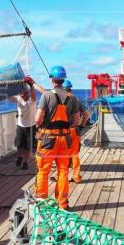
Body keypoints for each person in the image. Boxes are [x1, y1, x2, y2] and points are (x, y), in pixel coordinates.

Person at [35, 66, 80, 210]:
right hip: (65, 140)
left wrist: (39, 128)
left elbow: (38, 119)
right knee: (63, 171)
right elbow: (76, 121)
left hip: (48, 140)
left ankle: (42, 202)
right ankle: (62, 204)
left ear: (52, 79)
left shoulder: (46, 96)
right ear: (63, 79)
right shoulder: (71, 98)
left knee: (43, 171)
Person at [63, 80, 89, 183]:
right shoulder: (76, 99)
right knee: (75, 155)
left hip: (63, 131)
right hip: (75, 130)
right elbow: (85, 115)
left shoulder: (59, 99)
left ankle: (60, 176)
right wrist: (82, 126)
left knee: (62, 155)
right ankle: (76, 177)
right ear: (71, 88)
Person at [9, 77, 38, 169]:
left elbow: (34, 95)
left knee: (28, 147)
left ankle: (25, 162)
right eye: (20, 94)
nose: (22, 95)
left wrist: (31, 84)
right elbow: (9, 97)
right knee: (18, 144)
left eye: (24, 93)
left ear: (27, 93)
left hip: (30, 127)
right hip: (20, 126)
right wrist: (10, 86)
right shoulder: (18, 98)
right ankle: (20, 157)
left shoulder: (32, 101)